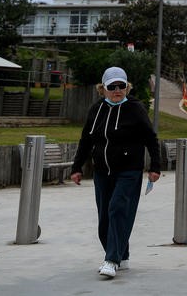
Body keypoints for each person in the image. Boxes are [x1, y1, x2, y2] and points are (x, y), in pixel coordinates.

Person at [70, 66, 161, 279]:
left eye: (122, 86)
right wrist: (76, 167)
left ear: (127, 87)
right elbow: (86, 140)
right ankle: (123, 255)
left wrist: (155, 166)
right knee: (104, 219)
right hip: (102, 171)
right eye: (112, 86)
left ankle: (111, 260)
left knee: (117, 208)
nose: (118, 90)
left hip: (129, 171)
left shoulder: (135, 109)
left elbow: (150, 139)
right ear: (103, 89)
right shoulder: (96, 110)